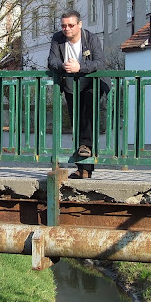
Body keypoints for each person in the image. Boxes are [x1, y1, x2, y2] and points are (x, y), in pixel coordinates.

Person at [48, 10, 111, 179]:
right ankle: (83, 169)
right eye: (63, 25)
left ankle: (85, 163)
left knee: (87, 118)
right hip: (70, 87)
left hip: (91, 84)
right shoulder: (57, 39)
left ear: (79, 24)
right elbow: (52, 61)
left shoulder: (91, 38)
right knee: (76, 123)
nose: (67, 29)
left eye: (71, 25)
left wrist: (80, 67)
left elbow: (100, 62)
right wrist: (63, 66)